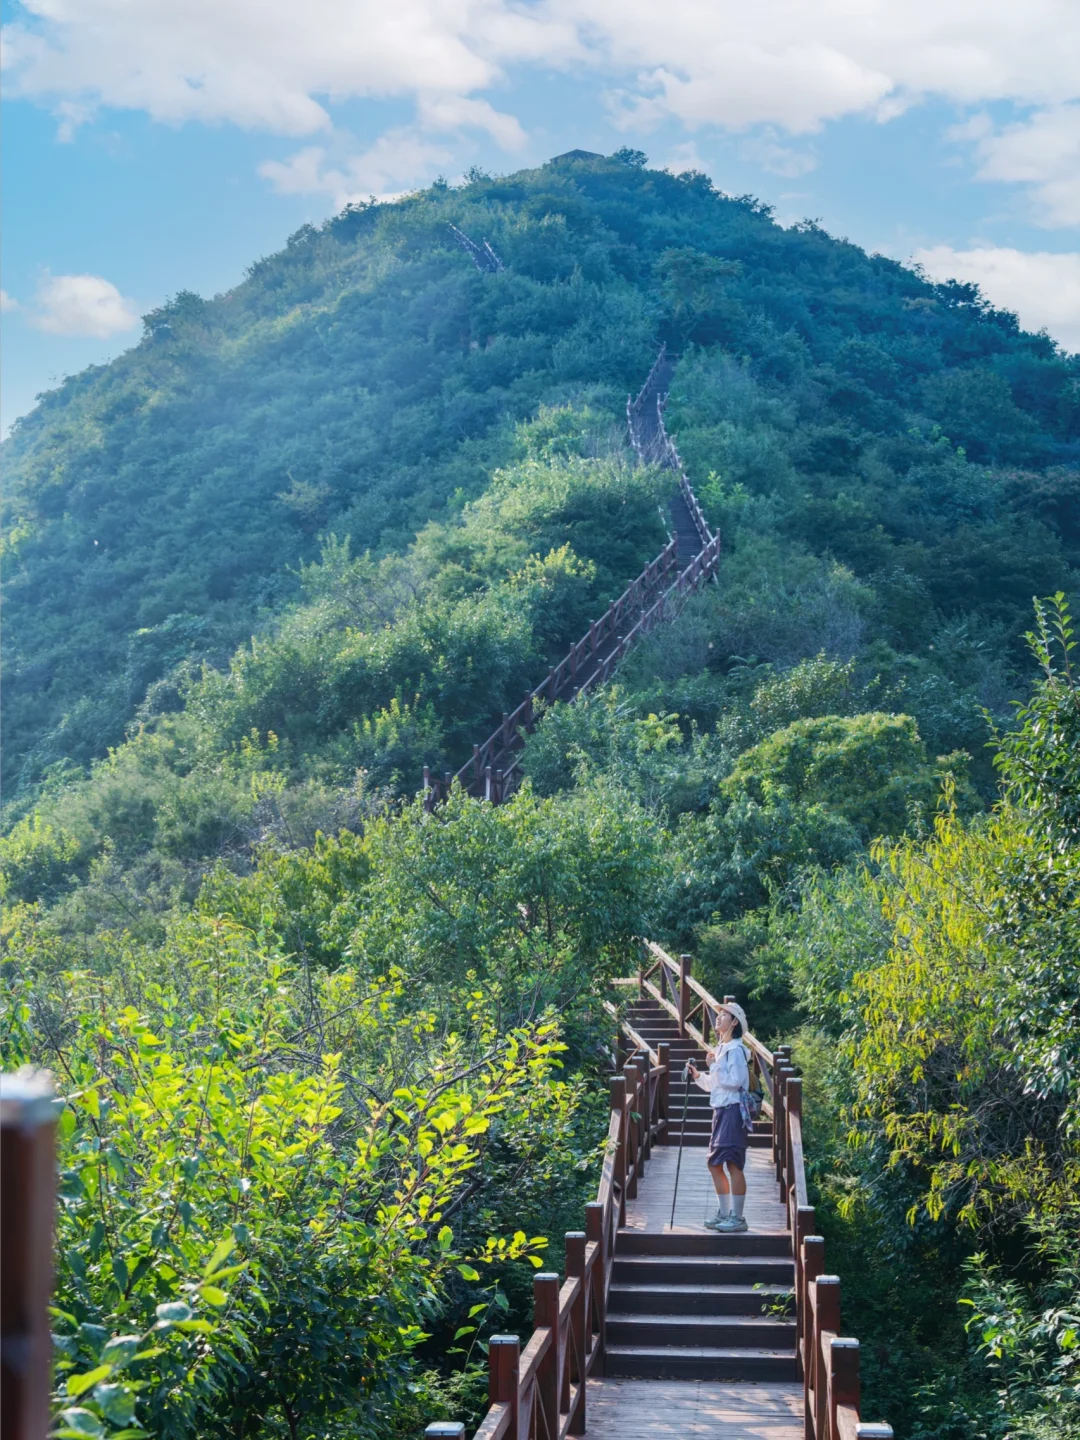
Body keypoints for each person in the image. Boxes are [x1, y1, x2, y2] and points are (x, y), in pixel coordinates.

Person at [687, 1000, 751, 1232]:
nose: (719, 1017)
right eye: (719, 1014)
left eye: (724, 1015)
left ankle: (738, 1218)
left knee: (732, 1163)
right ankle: (725, 1213)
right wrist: (698, 1076)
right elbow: (716, 1085)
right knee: (714, 1163)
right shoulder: (723, 1048)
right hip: (721, 1110)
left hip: (733, 1110)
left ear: (734, 1022)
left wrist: (714, 1066)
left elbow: (734, 1083)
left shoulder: (735, 1050)